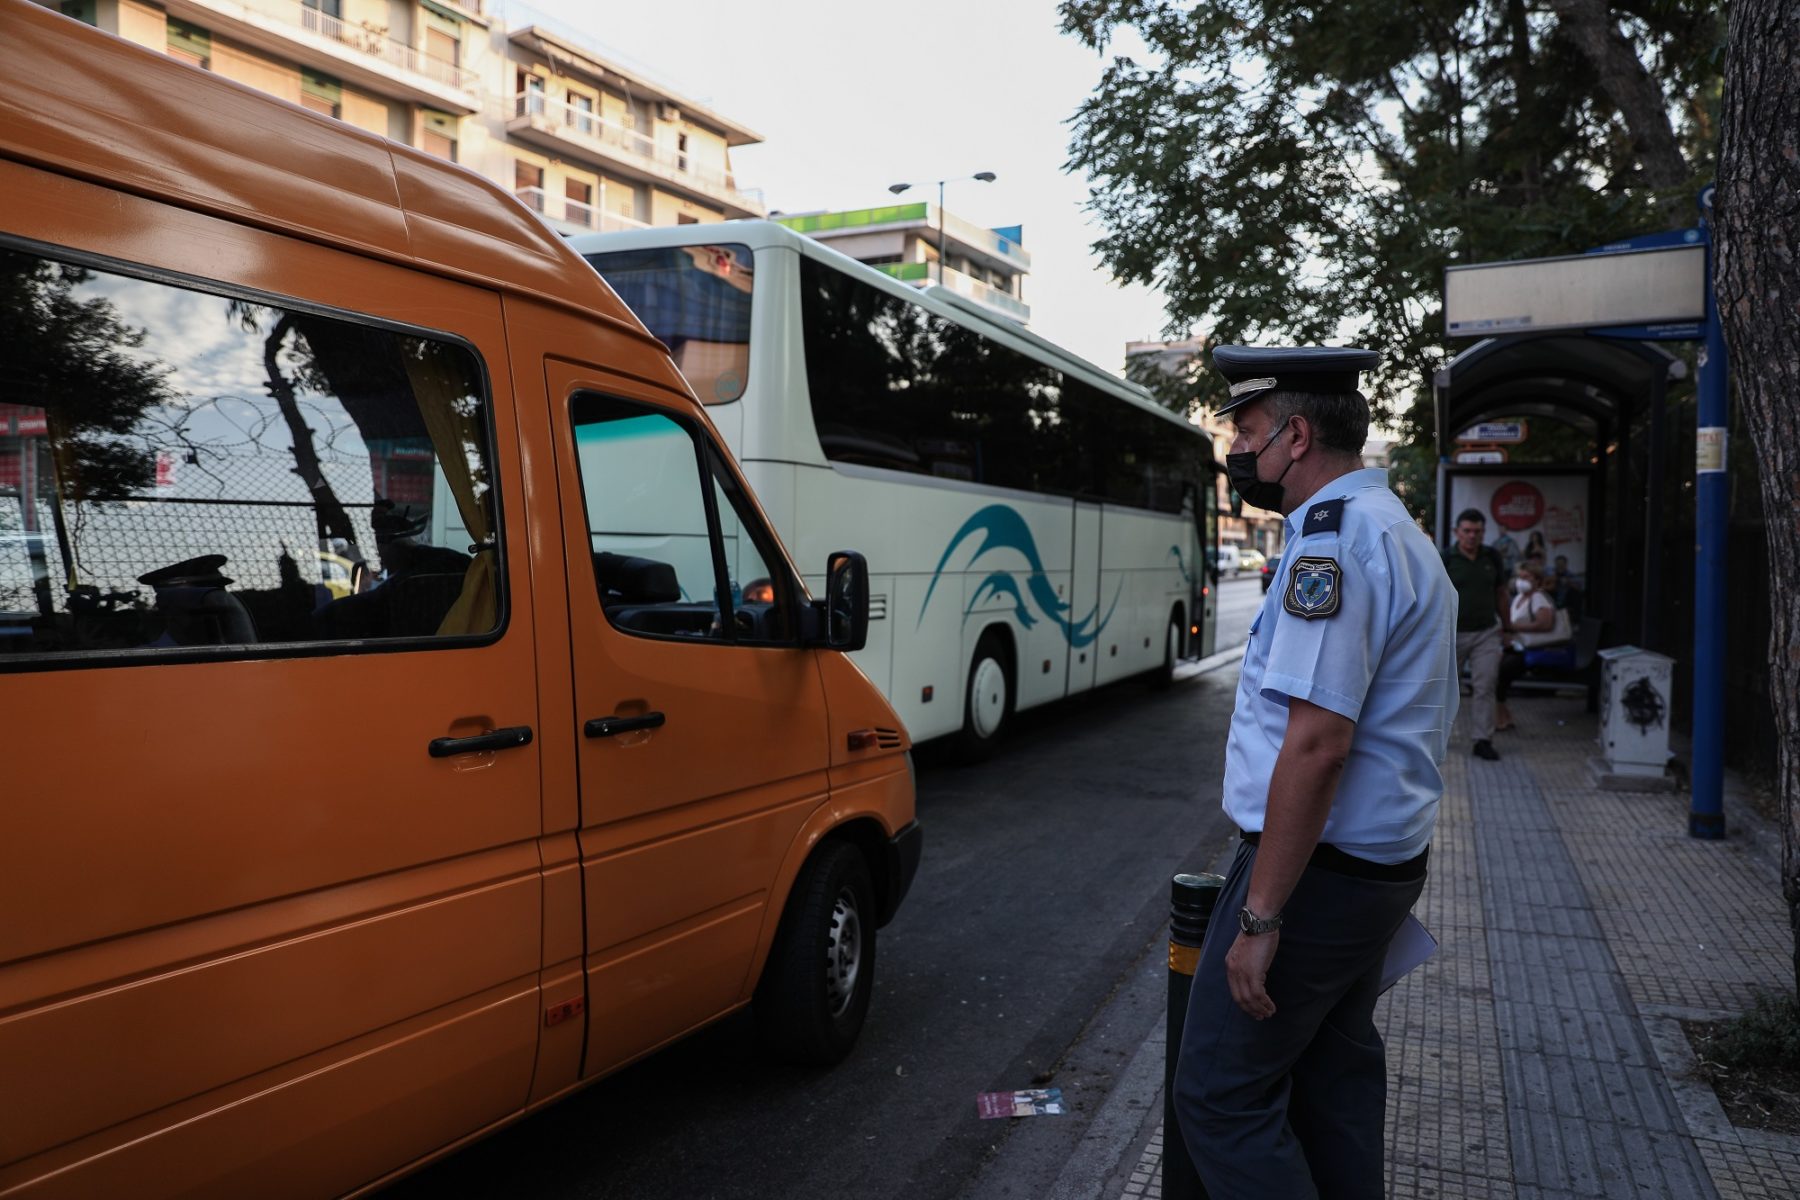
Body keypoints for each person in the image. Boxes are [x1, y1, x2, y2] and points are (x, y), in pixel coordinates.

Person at [1173, 345, 1458, 1198]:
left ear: (1295, 436)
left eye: (1249, 432)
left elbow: (1316, 744)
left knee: (1221, 1096)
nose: (1239, 452)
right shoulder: (1396, 532)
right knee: (1332, 1085)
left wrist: (1260, 918)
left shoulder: (1332, 547)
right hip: (1373, 869)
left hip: (1312, 878)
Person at [1443, 508, 1511, 760]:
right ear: (1456, 532)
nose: (1472, 536)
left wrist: (1508, 628)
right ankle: (1437, 738)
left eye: (1477, 531)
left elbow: (1502, 594)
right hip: (1453, 634)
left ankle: (1482, 739)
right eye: (1467, 531)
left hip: (1486, 632)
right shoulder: (1446, 558)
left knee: (1485, 686)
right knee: (1446, 688)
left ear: (1483, 533)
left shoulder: (1491, 557)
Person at [1496, 561, 1561, 731]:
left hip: (1532, 651)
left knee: (1499, 674)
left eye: (1527, 577)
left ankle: (1501, 716)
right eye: (1520, 576)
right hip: (1517, 648)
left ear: (1537, 580)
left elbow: (1545, 624)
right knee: (1494, 673)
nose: (1522, 580)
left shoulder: (1539, 598)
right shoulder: (1518, 597)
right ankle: (1502, 715)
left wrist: (1514, 627)